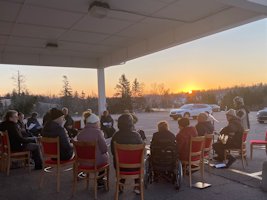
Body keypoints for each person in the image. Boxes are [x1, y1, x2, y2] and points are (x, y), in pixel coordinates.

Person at [111, 114, 143, 195]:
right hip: (135, 167)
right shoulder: (136, 135)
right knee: (137, 162)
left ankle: (121, 181)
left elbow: (113, 152)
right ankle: (137, 185)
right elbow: (142, 152)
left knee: (123, 160)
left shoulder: (115, 136)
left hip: (119, 167)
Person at [77, 111, 109, 188]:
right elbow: (104, 149)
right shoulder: (98, 132)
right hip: (96, 163)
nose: (99, 124)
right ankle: (100, 180)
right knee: (105, 156)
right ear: (95, 123)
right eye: (98, 122)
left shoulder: (80, 134)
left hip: (82, 162)